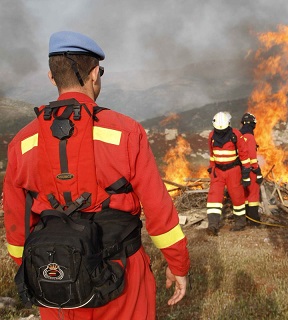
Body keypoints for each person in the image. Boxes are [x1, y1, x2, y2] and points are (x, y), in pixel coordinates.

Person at [2, 31, 190, 320]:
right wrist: (177, 265)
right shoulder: (126, 132)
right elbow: (159, 210)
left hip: (54, 278)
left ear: (52, 78)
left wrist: (40, 265)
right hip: (120, 275)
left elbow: (16, 224)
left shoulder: (22, 143)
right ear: (94, 74)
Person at [206, 111, 251, 235]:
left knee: (237, 196)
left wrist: (246, 172)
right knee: (214, 198)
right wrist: (212, 168)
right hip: (218, 172)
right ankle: (213, 225)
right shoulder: (211, 136)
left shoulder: (236, 134)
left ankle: (240, 223)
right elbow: (212, 155)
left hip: (233, 171)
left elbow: (243, 154)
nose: (220, 132)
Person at [239, 112, 263, 225]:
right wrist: (257, 171)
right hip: (250, 171)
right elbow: (252, 157)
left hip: (239, 170)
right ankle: (253, 220)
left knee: (244, 194)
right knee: (253, 193)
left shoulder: (238, 135)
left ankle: (244, 218)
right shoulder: (249, 136)